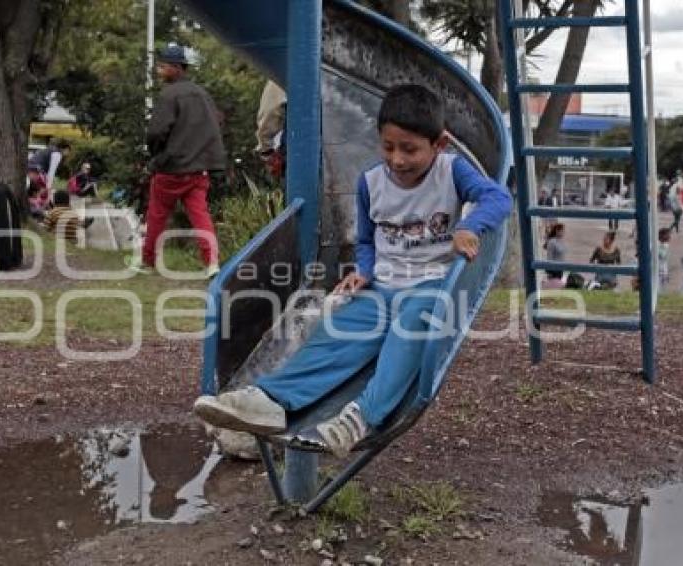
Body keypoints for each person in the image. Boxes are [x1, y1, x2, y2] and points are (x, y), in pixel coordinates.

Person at [192, 84, 512, 457]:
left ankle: (362, 417)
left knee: (410, 329)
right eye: (388, 146)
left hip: (432, 286)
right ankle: (271, 400)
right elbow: (366, 239)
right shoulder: (371, 183)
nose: (397, 159)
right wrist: (365, 269)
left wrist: (469, 227)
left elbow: (498, 197)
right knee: (336, 336)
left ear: (439, 144)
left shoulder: (452, 171)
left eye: (410, 149)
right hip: (384, 287)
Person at [137, 44, 225, 278]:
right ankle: (212, 262)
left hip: (171, 168)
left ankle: (148, 261)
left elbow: (157, 132)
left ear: (176, 68)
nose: (159, 70)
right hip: (198, 169)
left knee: (156, 214)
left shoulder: (169, 94)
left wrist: (155, 156)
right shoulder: (202, 94)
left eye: (163, 66)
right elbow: (217, 124)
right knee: (200, 215)